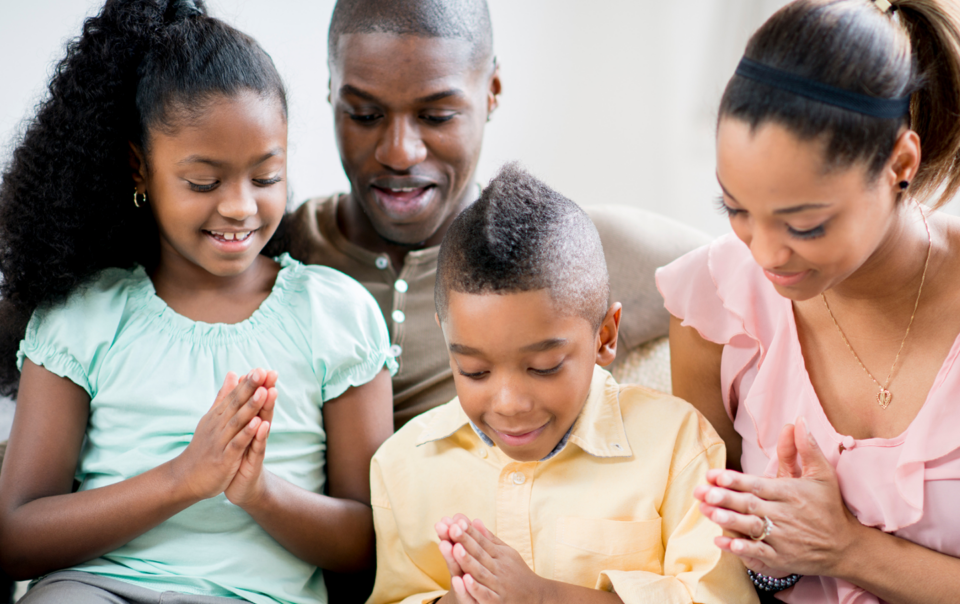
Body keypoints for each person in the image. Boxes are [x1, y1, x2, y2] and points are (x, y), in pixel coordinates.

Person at [0, 1, 395, 602]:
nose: (239, 206)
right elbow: (16, 536)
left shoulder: (336, 317)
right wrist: (184, 478)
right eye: (204, 182)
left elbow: (370, 543)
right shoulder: (83, 317)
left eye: (265, 177)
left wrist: (256, 491)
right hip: (101, 589)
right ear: (140, 169)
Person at [657, 0, 960, 602]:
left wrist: (846, 547)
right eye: (736, 209)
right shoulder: (715, 308)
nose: (766, 255)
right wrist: (773, 550)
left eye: (805, 224)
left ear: (900, 163)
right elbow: (703, 561)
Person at [283, 0, 709, 428]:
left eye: (437, 116)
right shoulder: (276, 248)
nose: (399, 152)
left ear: (492, 91)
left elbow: (755, 274)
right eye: (365, 114)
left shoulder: (567, 252)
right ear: (331, 90)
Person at [365, 163, 758, 604]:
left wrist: (543, 597)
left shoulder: (677, 444)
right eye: (475, 371)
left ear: (605, 336)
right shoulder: (403, 465)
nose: (510, 403)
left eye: (545, 366)